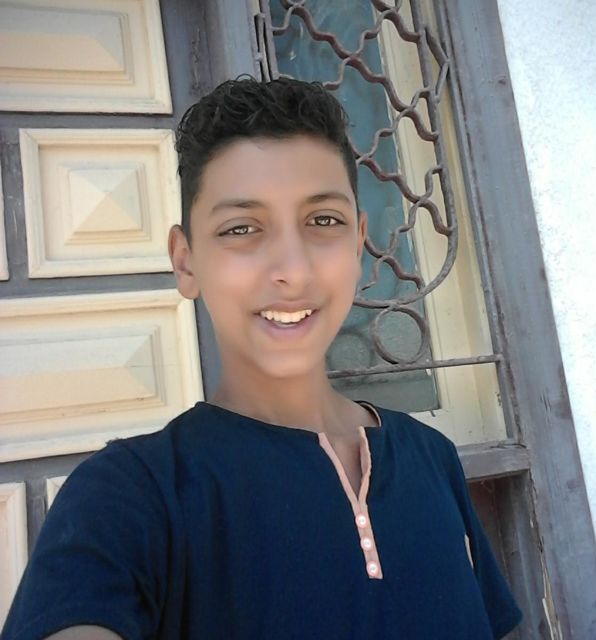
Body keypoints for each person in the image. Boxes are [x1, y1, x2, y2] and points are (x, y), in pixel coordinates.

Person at [1, 77, 523, 640]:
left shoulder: (433, 458)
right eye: (242, 228)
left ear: (358, 242)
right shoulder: (129, 495)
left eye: (323, 221)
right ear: (186, 261)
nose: (292, 270)